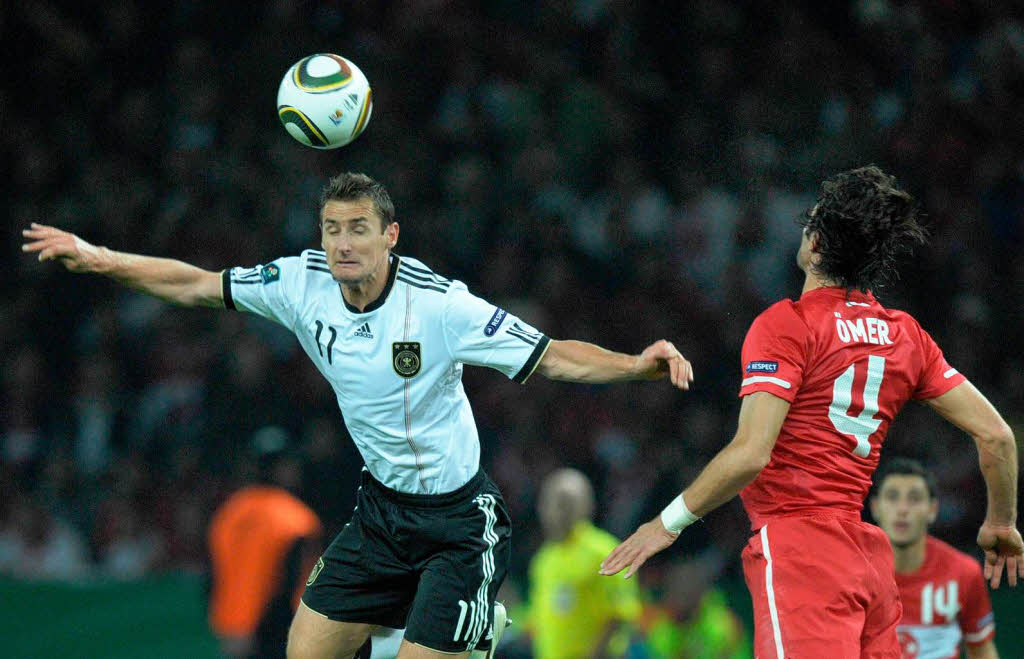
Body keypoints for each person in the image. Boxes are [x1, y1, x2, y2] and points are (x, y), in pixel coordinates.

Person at [22, 171, 693, 659]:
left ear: (390, 236)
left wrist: (635, 363)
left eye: (359, 229)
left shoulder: (438, 305)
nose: (343, 244)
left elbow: (551, 356)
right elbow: (197, 284)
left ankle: (469, 629)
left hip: (459, 523)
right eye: (332, 229)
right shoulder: (299, 282)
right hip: (380, 514)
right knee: (305, 649)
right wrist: (100, 258)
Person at [600, 166, 1022, 658]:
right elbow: (998, 437)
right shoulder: (907, 334)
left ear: (817, 244)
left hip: (801, 549)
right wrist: (1001, 524)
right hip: (868, 558)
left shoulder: (786, 325)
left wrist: (664, 524)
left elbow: (751, 454)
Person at [207, 426, 324, 659]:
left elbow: (212, 575)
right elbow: (296, 585)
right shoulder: (294, 517)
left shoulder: (230, 512)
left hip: (232, 636)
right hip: (277, 636)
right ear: (278, 468)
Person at [870, 458, 998, 659]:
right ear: (876, 507)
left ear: (932, 509)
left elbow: (981, 650)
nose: (903, 509)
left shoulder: (963, 572)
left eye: (914, 498)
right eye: (893, 497)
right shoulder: (853, 574)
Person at [528, 468, 642, 659]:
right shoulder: (544, 559)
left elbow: (620, 615)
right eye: (551, 502)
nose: (557, 511)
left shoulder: (605, 551)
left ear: (587, 505)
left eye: (566, 503)